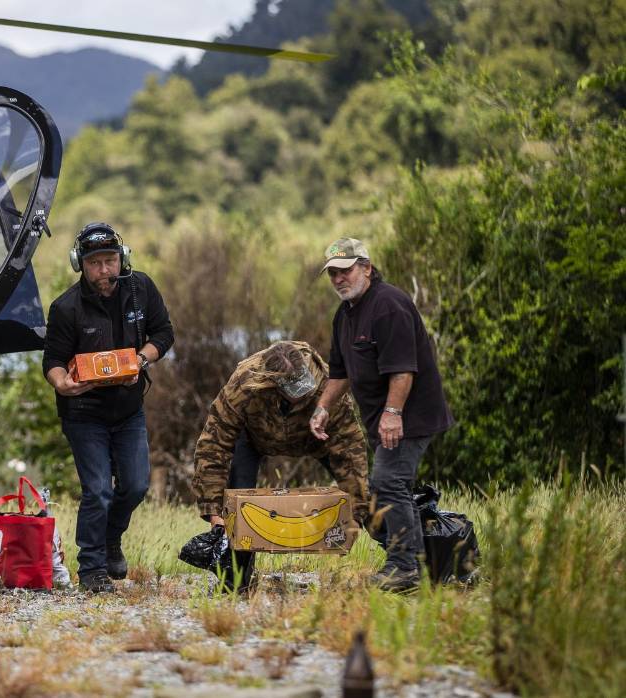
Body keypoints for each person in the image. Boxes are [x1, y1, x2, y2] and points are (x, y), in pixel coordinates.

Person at [309, 237, 454, 593]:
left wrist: (392, 413)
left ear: (367, 269)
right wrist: (323, 407)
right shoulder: (345, 315)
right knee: (381, 491)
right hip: (385, 419)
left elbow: (403, 370)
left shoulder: (389, 305)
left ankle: (405, 569)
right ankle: (429, 558)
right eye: (333, 274)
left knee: (390, 484)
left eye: (346, 271)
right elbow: (340, 373)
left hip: (410, 416)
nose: (339, 279)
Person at [42, 222, 174, 593]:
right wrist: (62, 384)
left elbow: (164, 333)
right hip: (83, 414)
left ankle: (111, 538)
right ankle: (92, 570)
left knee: (134, 486)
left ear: (123, 258)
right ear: (79, 264)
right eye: (95, 262)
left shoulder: (142, 288)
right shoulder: (66, 308)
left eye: (110, 260)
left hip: (128, 410)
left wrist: (141, 361)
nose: (104, 270)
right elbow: (52, 360)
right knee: (97, 490)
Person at [192, 340, 370, 590]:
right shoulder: (244, 384)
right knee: (237, 506)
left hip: (317, 436)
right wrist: (214, 512)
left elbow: (350, 449)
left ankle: (405, 562)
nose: (301, 396)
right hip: (254, 438)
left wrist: (358, 512)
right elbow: (213, 445)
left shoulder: (327, 384)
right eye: (294, 392)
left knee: (366, 493)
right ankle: (235, 580)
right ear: (273, 385)